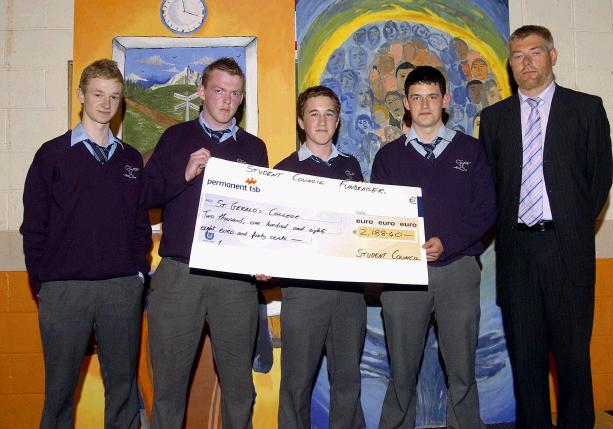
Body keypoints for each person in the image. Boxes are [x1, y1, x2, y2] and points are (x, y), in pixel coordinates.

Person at [479, 25, 613, 429]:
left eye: (535, 52)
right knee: (526, 363)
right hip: (517, 256)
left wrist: (567, 226)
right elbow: (491, 187)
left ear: (552, 56)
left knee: (573, 360)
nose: (526, 62)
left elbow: (598, 180)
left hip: (567, 252)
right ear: (510, 63)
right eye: (518, 55)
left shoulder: (586, 109)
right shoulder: (494, 118)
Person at [20, 59, 151, 429]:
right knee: (60, 392)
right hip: (64, 290)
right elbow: (34, 226)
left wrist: (138, 274)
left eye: (114, 96)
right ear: (81, 95)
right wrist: (42, 284)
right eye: (98, 94)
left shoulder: (130, 159)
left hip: (121, 289)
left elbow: (140, 223)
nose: (106, 104)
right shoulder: (52, 155)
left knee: (123, 391)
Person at [141, 57, 269, 429]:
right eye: (218, 91)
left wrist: (263, 255)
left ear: (241, 98)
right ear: (201, 92)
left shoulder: (254, 148)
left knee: (239, 389)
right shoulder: (175, 138)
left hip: (234, 278)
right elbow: (145, 195)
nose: (226, 100)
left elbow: (262, 213)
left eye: (234, 93)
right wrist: (183, 174)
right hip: (180, 273)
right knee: (168, 386)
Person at [371, 66, 495, 429]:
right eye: (416, 98)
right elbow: (377, 216)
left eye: (432, 96)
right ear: (406, 105)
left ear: (446, 100)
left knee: (462, 370)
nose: (424, 105)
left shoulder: (470, 151)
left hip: (458, 271)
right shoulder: (388, 157)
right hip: (403, 275)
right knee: (401, 372)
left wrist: (450, 242)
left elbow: (486, 210)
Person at [275, 86, 367, 429]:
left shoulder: (351, 166)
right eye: (313, 114)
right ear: (301, 121)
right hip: (303, 292)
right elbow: (273, 233)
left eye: (329, 113)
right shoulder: (282, 170)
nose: (321, 120)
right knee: (297, 383)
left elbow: (361, 223)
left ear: (338, 120)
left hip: (348, 291)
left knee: (347, 381)